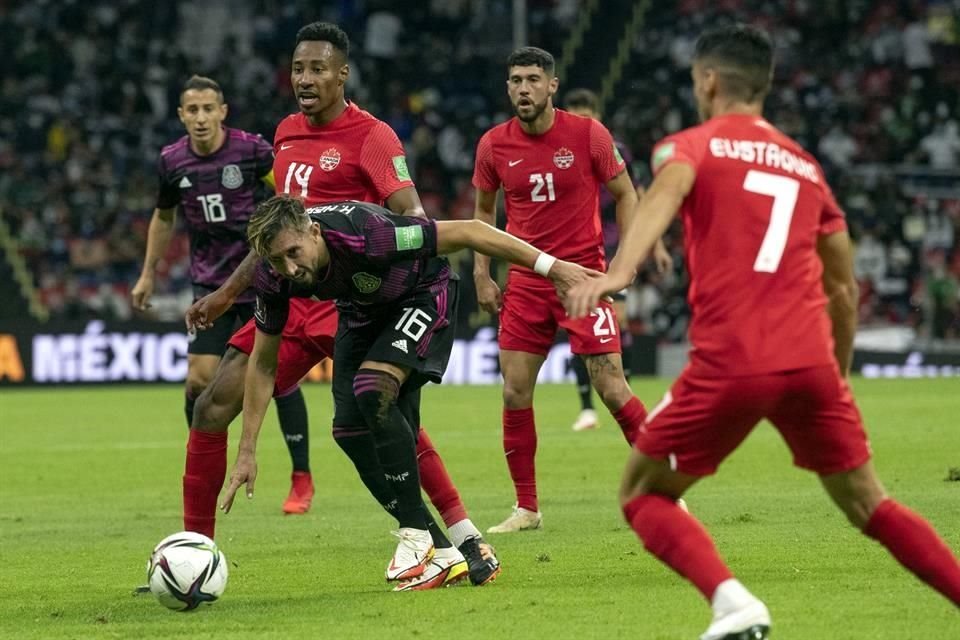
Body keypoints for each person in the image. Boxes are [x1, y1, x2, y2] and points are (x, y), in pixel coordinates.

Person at [565, 24, 960, 640]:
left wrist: (619, 270)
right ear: (766, 85)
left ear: (709, 80)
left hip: (735, 360)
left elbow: (664, 195)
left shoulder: (688, 147)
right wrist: (838, 377)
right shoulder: (808, 168)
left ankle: (733, 604)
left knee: (644, 493)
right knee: (870, 505)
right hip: (811, 363)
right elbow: (843, 291)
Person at [182, 23, 499, 586]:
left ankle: (464, 537)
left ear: (341, 73)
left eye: (317, 70)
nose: (304, 79)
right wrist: (230, 292)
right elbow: (276, 230)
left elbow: (415, 220)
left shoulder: (373, 137)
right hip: (289, 293)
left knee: (386, 418)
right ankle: (195, 555)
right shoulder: (284, 133)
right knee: (211, 406)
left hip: (354, 299)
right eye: (298, 69)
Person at [220, 195, 593, 591]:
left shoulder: (370, 235)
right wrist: (246, 451)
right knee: (348, 431)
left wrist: (553, 268)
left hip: (425, 293)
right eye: (278, 260)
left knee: (372, 389)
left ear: (314, 232)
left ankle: (416, 534)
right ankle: (444, 549)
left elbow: (470, 230)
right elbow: (263, 364)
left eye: (294, 253)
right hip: (361, 315)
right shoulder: (272, 276)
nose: (290, 268)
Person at [472, 47, 665, 533]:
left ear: (552, 86)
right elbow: (482, 215)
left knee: (612, 387)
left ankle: (664, 492)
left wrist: (621, 265)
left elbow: (626, 194)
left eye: (533, 79)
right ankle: (527, 508)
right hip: (524, 284)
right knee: (515, 393)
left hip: (583, 283)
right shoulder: (494, 145)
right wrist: (481, 272)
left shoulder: (588, 135)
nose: (523, 88)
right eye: (515, 79)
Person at [131, 75, 312, 514]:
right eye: (191, 111)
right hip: (209, 285)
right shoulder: (172, 161)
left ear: (222, 111)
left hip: (260, 279)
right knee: (198, 379)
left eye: (208, 109)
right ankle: (207, 455)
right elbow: (163, 217)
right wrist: (148, 273)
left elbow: (290, 195)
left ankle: (301, 478)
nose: (200, 118)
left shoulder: (251, 151)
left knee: (277, 376)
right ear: (181, 116)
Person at [562, 88, 672, 432]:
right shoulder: (557, 148)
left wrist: (655, 245)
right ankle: (586, 408)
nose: (581, 117)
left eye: (586, 111)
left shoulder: (613, 148)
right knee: (579, 324)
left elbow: (637, 196)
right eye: (575, 111)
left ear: (597, 112)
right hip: (572, 251)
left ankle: (623, 394)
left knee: (617, 321)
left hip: (609, 249)